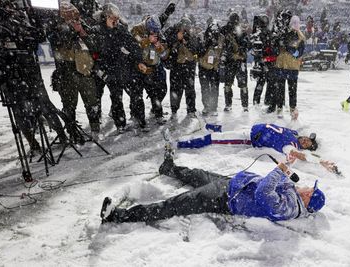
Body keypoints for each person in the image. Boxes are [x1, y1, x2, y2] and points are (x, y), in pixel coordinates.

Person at [100, 150, 325, 224]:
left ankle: (118, 216)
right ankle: (169, 169)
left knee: (176, 204)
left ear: (308, 201)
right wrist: (288, 163)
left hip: (225, 198)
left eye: (310, 191)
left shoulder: (288, 209)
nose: (306, 188)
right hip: (234, 184)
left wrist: (281, 169)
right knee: (198, 175)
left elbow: (264, 191)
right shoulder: (293, 195)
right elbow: (282, 180)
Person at [0, 0, 67, 152]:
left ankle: (62, 136)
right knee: (19, 111)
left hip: (29, 69)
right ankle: (33, 144)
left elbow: (38, 36)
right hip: (8, 74)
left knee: (44, 104)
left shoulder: (21, 14)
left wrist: (30, 28)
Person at [177, 123, 337, 172]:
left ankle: (182, 144)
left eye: (307, 145)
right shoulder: (294, 132)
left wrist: (321, 161)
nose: (305, 141)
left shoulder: (291, 146)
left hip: (250, 138)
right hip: (251, 128)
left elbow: (298, 155)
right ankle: (216, 127)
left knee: (216, 139)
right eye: (308, 139)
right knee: (228, 127)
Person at [88, 3, 148, 132]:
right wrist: (101, 71)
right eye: (111, 18)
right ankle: (119, 124)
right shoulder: (96, 31)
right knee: (115, 98)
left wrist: (138, 60)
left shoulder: (121, 29)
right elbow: (93, 54)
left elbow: (134, 46)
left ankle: (141, 120)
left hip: (123, 68)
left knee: (136, 94)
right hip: (106, 70)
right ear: (105, 17)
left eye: (116, 18)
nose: (114, 21)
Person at [48, 1, 101, 141]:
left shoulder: (83, 25)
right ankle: (73, 132)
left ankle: (95, 129)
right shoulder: (56, 28)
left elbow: (95, 45)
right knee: (69, 106)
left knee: (92, 103)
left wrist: (82, 32)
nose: (74, 18)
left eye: (75, 15)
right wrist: (72, 31)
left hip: (85, 71)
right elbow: (57, 41)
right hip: (67, 73)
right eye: (70, 15)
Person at [164, 16, 200, 118]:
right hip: (176, 65)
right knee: (175, 89)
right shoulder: (171, 31)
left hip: (189, 65)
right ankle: (174, 109)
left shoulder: (192, 34)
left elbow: (197, 48)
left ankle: (191, 109)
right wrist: (176, 38)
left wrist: (187, 42)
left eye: (186, 28)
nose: (185, 29)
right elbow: (165, 41)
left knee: (190, 88)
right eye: (183, 27)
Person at [273, 15, 305, 120]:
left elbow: (299, 53)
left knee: (292, 90)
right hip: (282, 65)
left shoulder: (300, 37)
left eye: (297, 23)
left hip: (292, 67)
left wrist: (290, 49)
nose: (295, 25)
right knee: (280, 89)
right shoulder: (283, 34)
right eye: (293, 23)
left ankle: (292, 109)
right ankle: (279, 108)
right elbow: (277, 48)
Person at [220, 12, 250, 112]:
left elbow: (246, 45)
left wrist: (239, 53)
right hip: (231, 61)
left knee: (242, 85)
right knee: (229, 85)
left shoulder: (241, 31)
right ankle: (231, 104)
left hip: (239, 61)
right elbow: (222, 46)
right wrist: (231, 54)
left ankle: (243, 105)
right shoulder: (225, 30)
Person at [198, 20, 224, 116]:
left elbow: (224, 51)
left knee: (214, 88)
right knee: (205, 88)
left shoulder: (222, 38)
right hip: (203, 66)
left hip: (215, 67)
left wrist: (220, 62)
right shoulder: (202, 36)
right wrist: (207, 44)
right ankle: (206, 106)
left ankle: (213, 107)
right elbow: (198, 51)